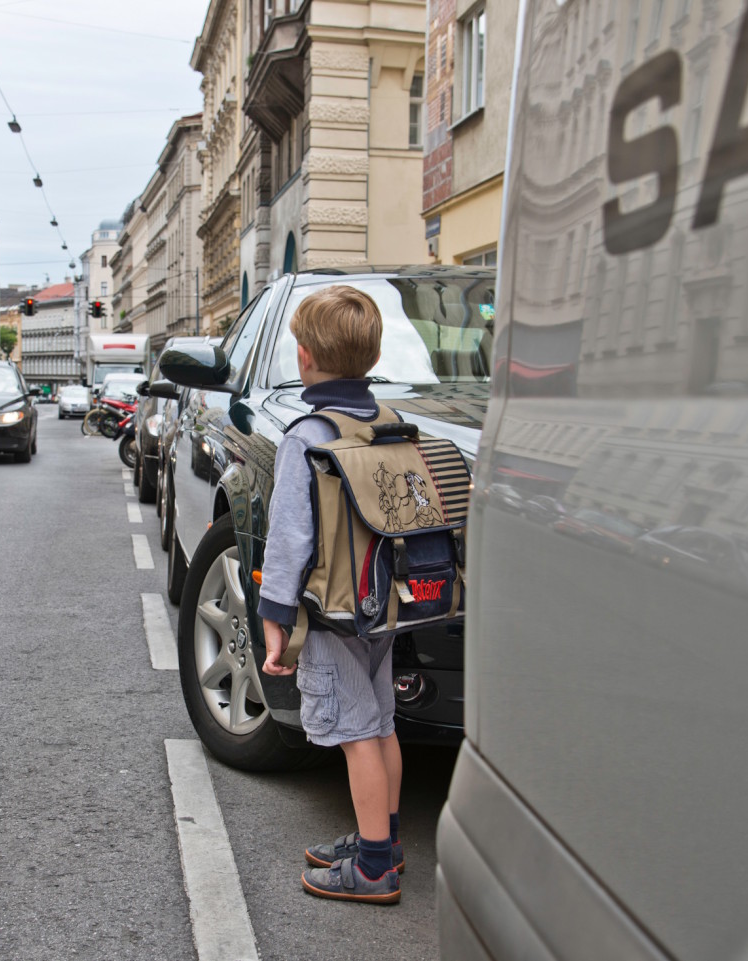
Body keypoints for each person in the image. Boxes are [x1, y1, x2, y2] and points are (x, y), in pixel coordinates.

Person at [257, 284, 403, 905]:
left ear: (306, 355)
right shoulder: (391, 424)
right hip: (383, 604)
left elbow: (288, 540)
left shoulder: (307, 435)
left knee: (353, 733)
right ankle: (384, 839)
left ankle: (373, 869)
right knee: (381, 722)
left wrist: (276, 620)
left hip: (333, 609)